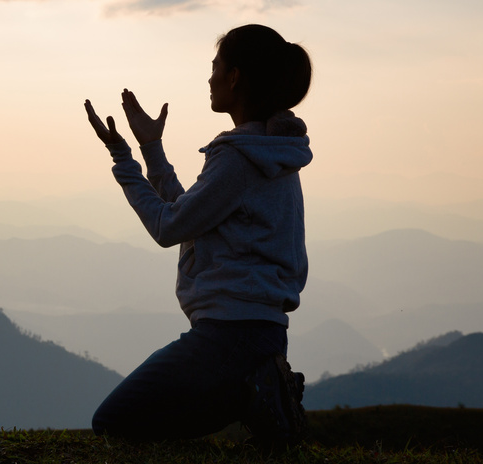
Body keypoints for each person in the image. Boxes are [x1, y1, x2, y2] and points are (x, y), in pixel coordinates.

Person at [83, 24, 312, 447]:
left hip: (230, 335)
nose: (209, 78)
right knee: (132, 418)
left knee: (113, 421)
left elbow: (168, 227)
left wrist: (123, 159)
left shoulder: (240, 159)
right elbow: (191, 215)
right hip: (258, 332)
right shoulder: (269, 153)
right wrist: (152, 149)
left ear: (235, 76)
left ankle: (255, 399)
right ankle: (259, 393)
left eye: (215, 67)